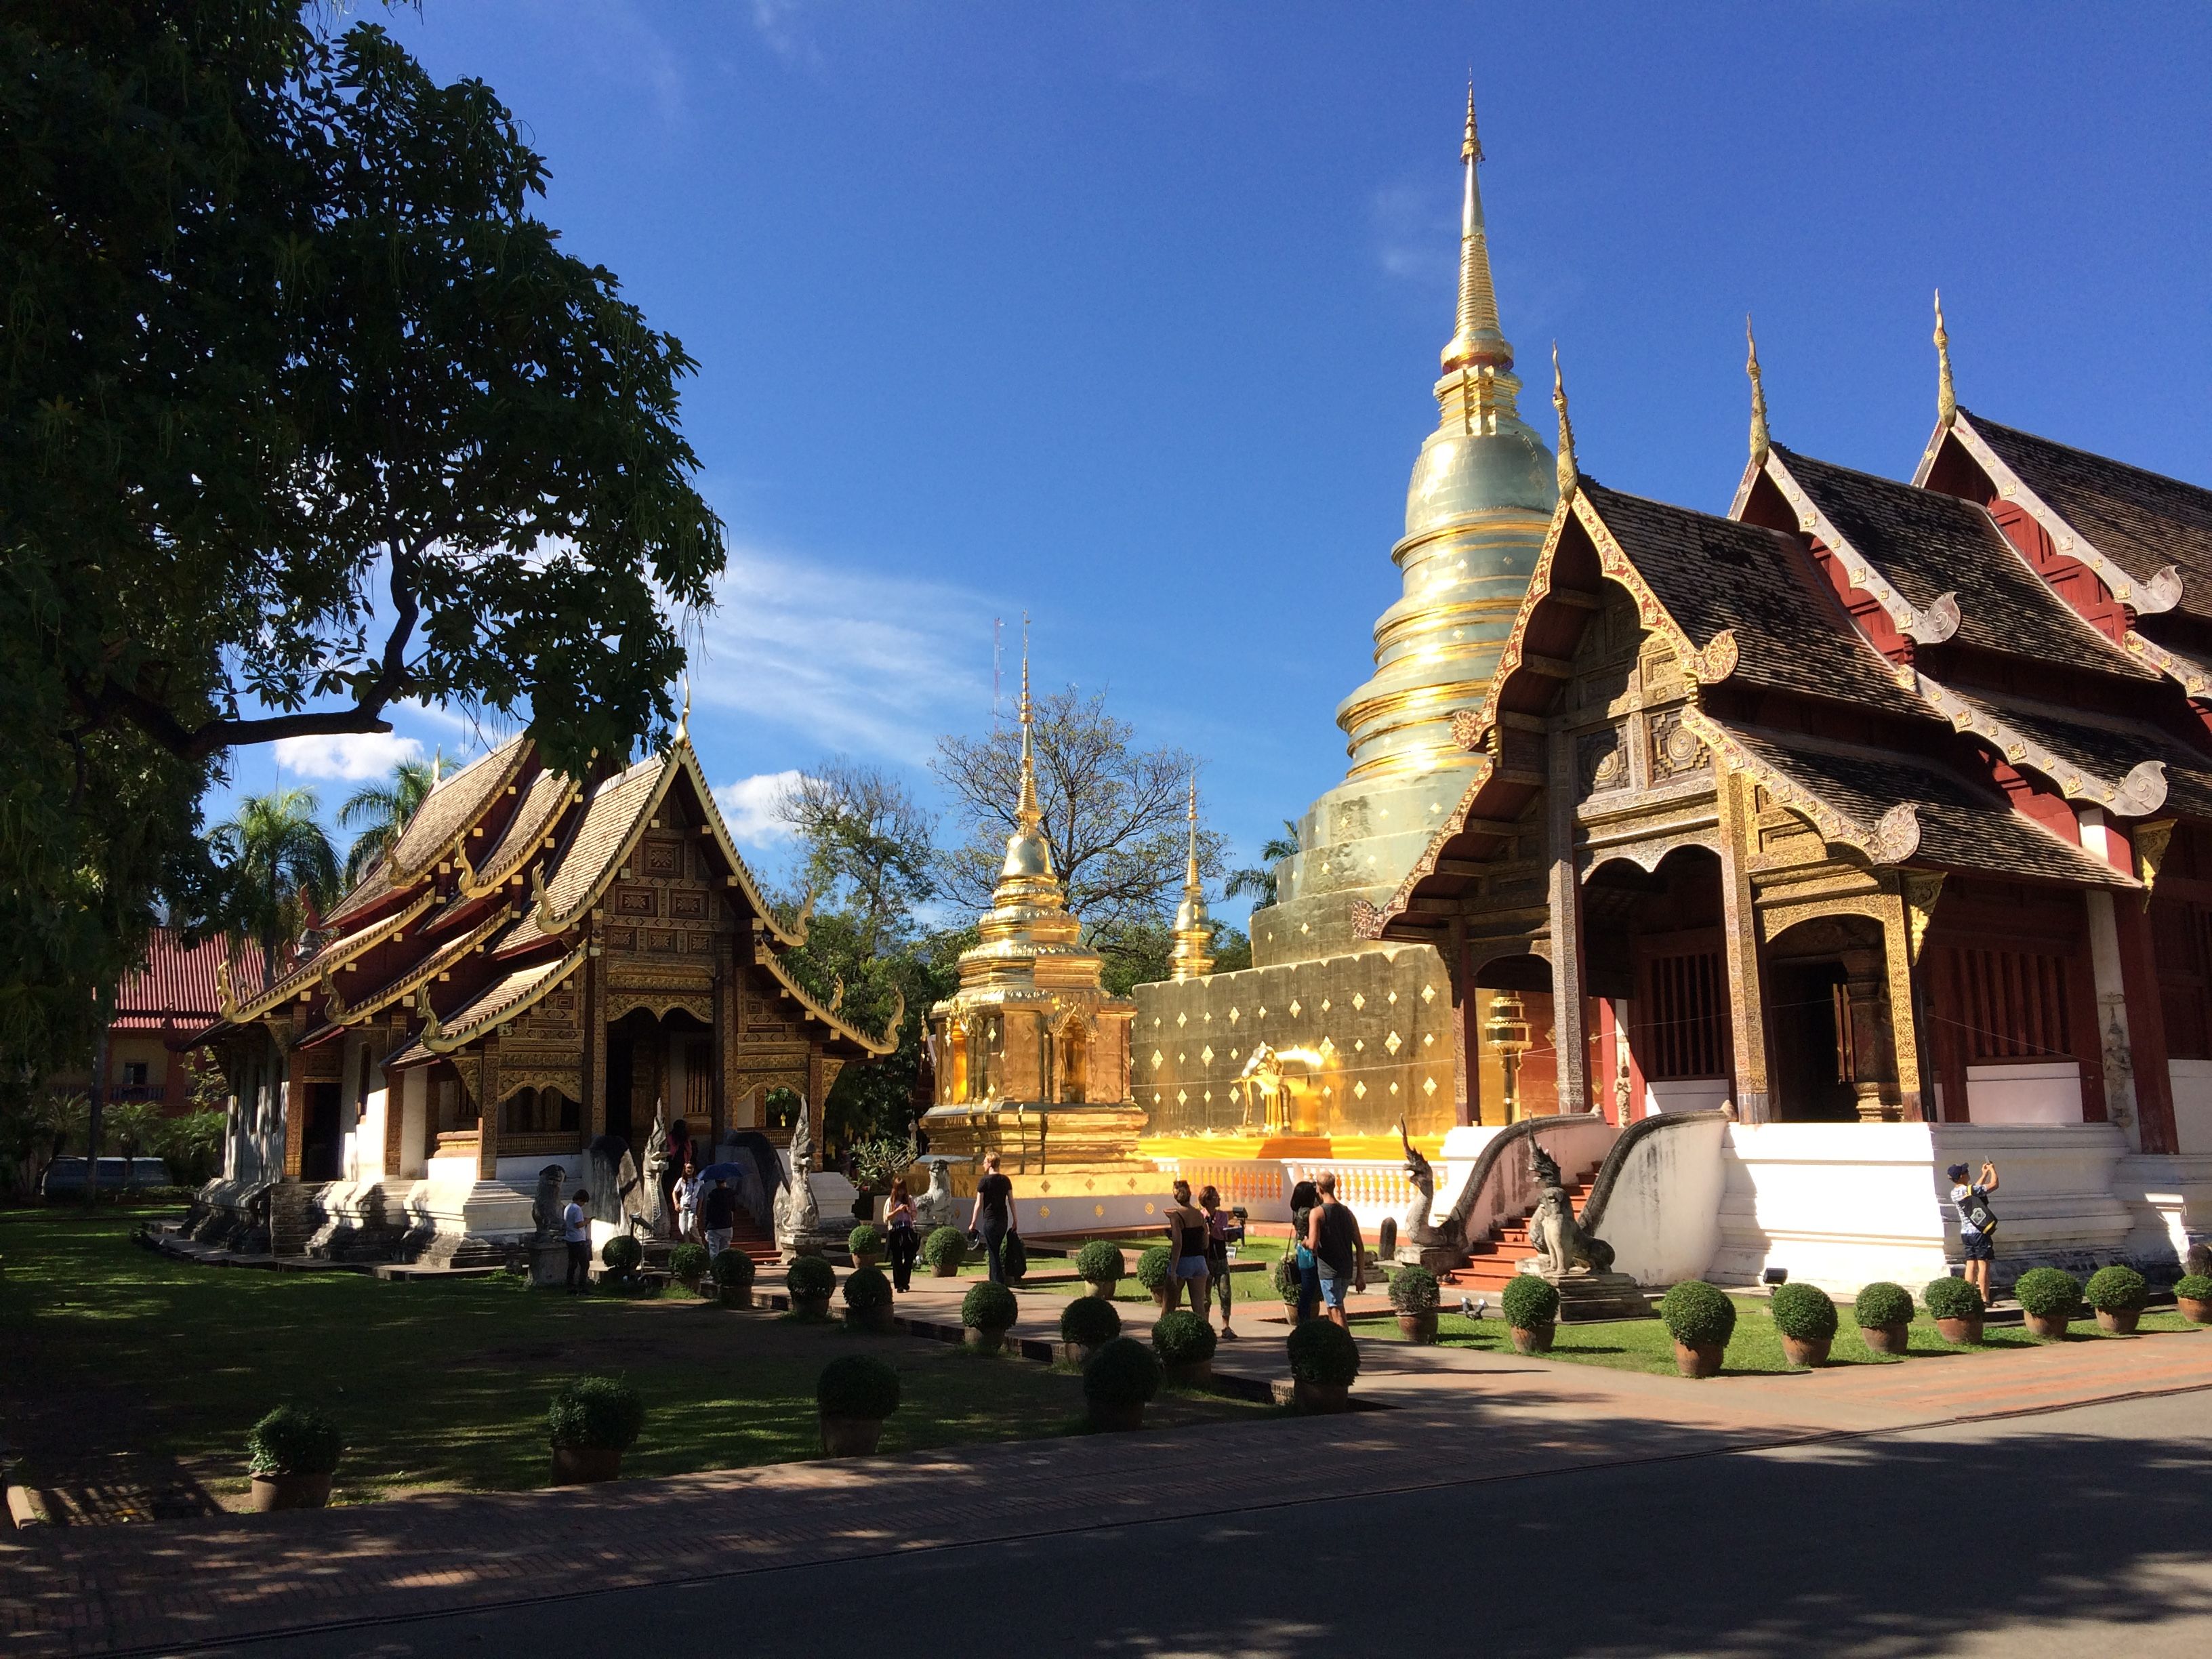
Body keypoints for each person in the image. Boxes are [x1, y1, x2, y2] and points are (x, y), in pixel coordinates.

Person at [1306, 1171, 1366, 1330]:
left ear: (1319, 1188)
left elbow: (1313, 1244)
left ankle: (1346, 1346)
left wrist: (1304, 1242)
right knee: (1333, 1307)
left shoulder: (1317, 1213)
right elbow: (1360, 1245)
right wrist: (1360, 1275)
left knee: (1336, 1309)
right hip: (1346, 1270)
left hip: (1329, 1271)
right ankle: (1337, 1343)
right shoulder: (1347, 1213)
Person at [1949, 1160, 2001, 1305]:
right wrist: (1992, 1170)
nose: (1967, 1173)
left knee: (1971, 1264)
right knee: (1984, 1264)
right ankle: (1985, 1298)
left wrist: (1983, 1175)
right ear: (1961, 1177)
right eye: (1965, 1172)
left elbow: (1974, 1190)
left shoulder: (1955, 1192)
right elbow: (1994, 1185)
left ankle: (1969, 1296)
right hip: (1979, 1232)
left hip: (1966, 1233)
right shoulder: (1966, 1190)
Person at [969, 1151, 1016, 1285]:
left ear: (990, 1164)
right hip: (1003, 1220)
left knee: (993, 1251)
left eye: (984, 1162)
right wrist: (1015, 1220)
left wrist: (973, 1222)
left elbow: (979, 1203)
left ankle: (997, 1282)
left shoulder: (984, 1181)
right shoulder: (1005, 1180)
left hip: (990, 1219)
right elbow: (1011, 1201)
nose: (983, 1164)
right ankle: (994, 1280)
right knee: (994, 1249)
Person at [1200, 1184, 1239, 1338]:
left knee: (1225, 1293)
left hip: (1221, 1259)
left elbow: (1221, 1234)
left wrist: (1230, 1235)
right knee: (1204, 1295)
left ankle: (1226, 1327)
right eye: (1215, 1196)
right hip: (1206, 1260)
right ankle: (1205, 1326)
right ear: (1207, 1200)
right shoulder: (1200, 1216)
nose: (1219, 1198)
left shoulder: (1222, 1216)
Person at [1287, 1178, 1322, 1324]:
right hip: (1308, 1252)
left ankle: (1305, 1317)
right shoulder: (1308, 1212)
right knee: (1308, 1288)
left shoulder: (1299, 1211)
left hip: (1302, 1251)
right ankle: (1304, 1318)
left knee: (1308, 1286)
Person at [885, 1176, 920, 1292]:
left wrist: (909, 1211)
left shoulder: (909, 1200)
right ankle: (899, 1284)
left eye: (903, 1190)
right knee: (897, 1259)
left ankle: (905, 1281)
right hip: (896, 1231)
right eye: (899, 1190)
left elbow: (915, 1215)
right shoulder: (890, 1201)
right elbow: (886, 1218)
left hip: (907, 1231)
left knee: (909, 1258)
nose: (902, 1192)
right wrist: (897, 1211)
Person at [701, 1174, 737, 1263]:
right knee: (725, 1251)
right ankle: (724, 1270)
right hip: (727, 1225)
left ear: (716, 1183)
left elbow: (708, 1213)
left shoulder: (712, 1196)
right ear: (725, 1182)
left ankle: (715, 1271)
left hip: (714, 1226)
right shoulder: (730, 1194)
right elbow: (733, 1209)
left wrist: (706, 1227)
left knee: (714, 1251)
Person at [562, 1187, 591, 1294]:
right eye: (584, 1202)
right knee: (584, 1264)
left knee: (572, 1264)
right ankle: (582, 1286)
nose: (583, 1205)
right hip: (578, 1240)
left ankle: (570, 1286)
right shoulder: (577, 1209)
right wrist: (587, 1222)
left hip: (570, 1238)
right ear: (580, 1200)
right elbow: (578, 1224)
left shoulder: (568, 1207)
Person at [674, 1160, 701, 1244]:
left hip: (693, 1208)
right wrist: (676, 1203)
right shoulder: (681, 1180)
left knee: (691, 1227)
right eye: (688, 1168)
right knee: (684, 1230)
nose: (690, 1170)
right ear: (685, 1169)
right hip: (683, 1207)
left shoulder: (697, 1181)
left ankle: (700, 1243)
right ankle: (687, 1246)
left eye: (692, 1168)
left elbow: (701, 1196)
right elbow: (675, 1191)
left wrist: (699, 1210)